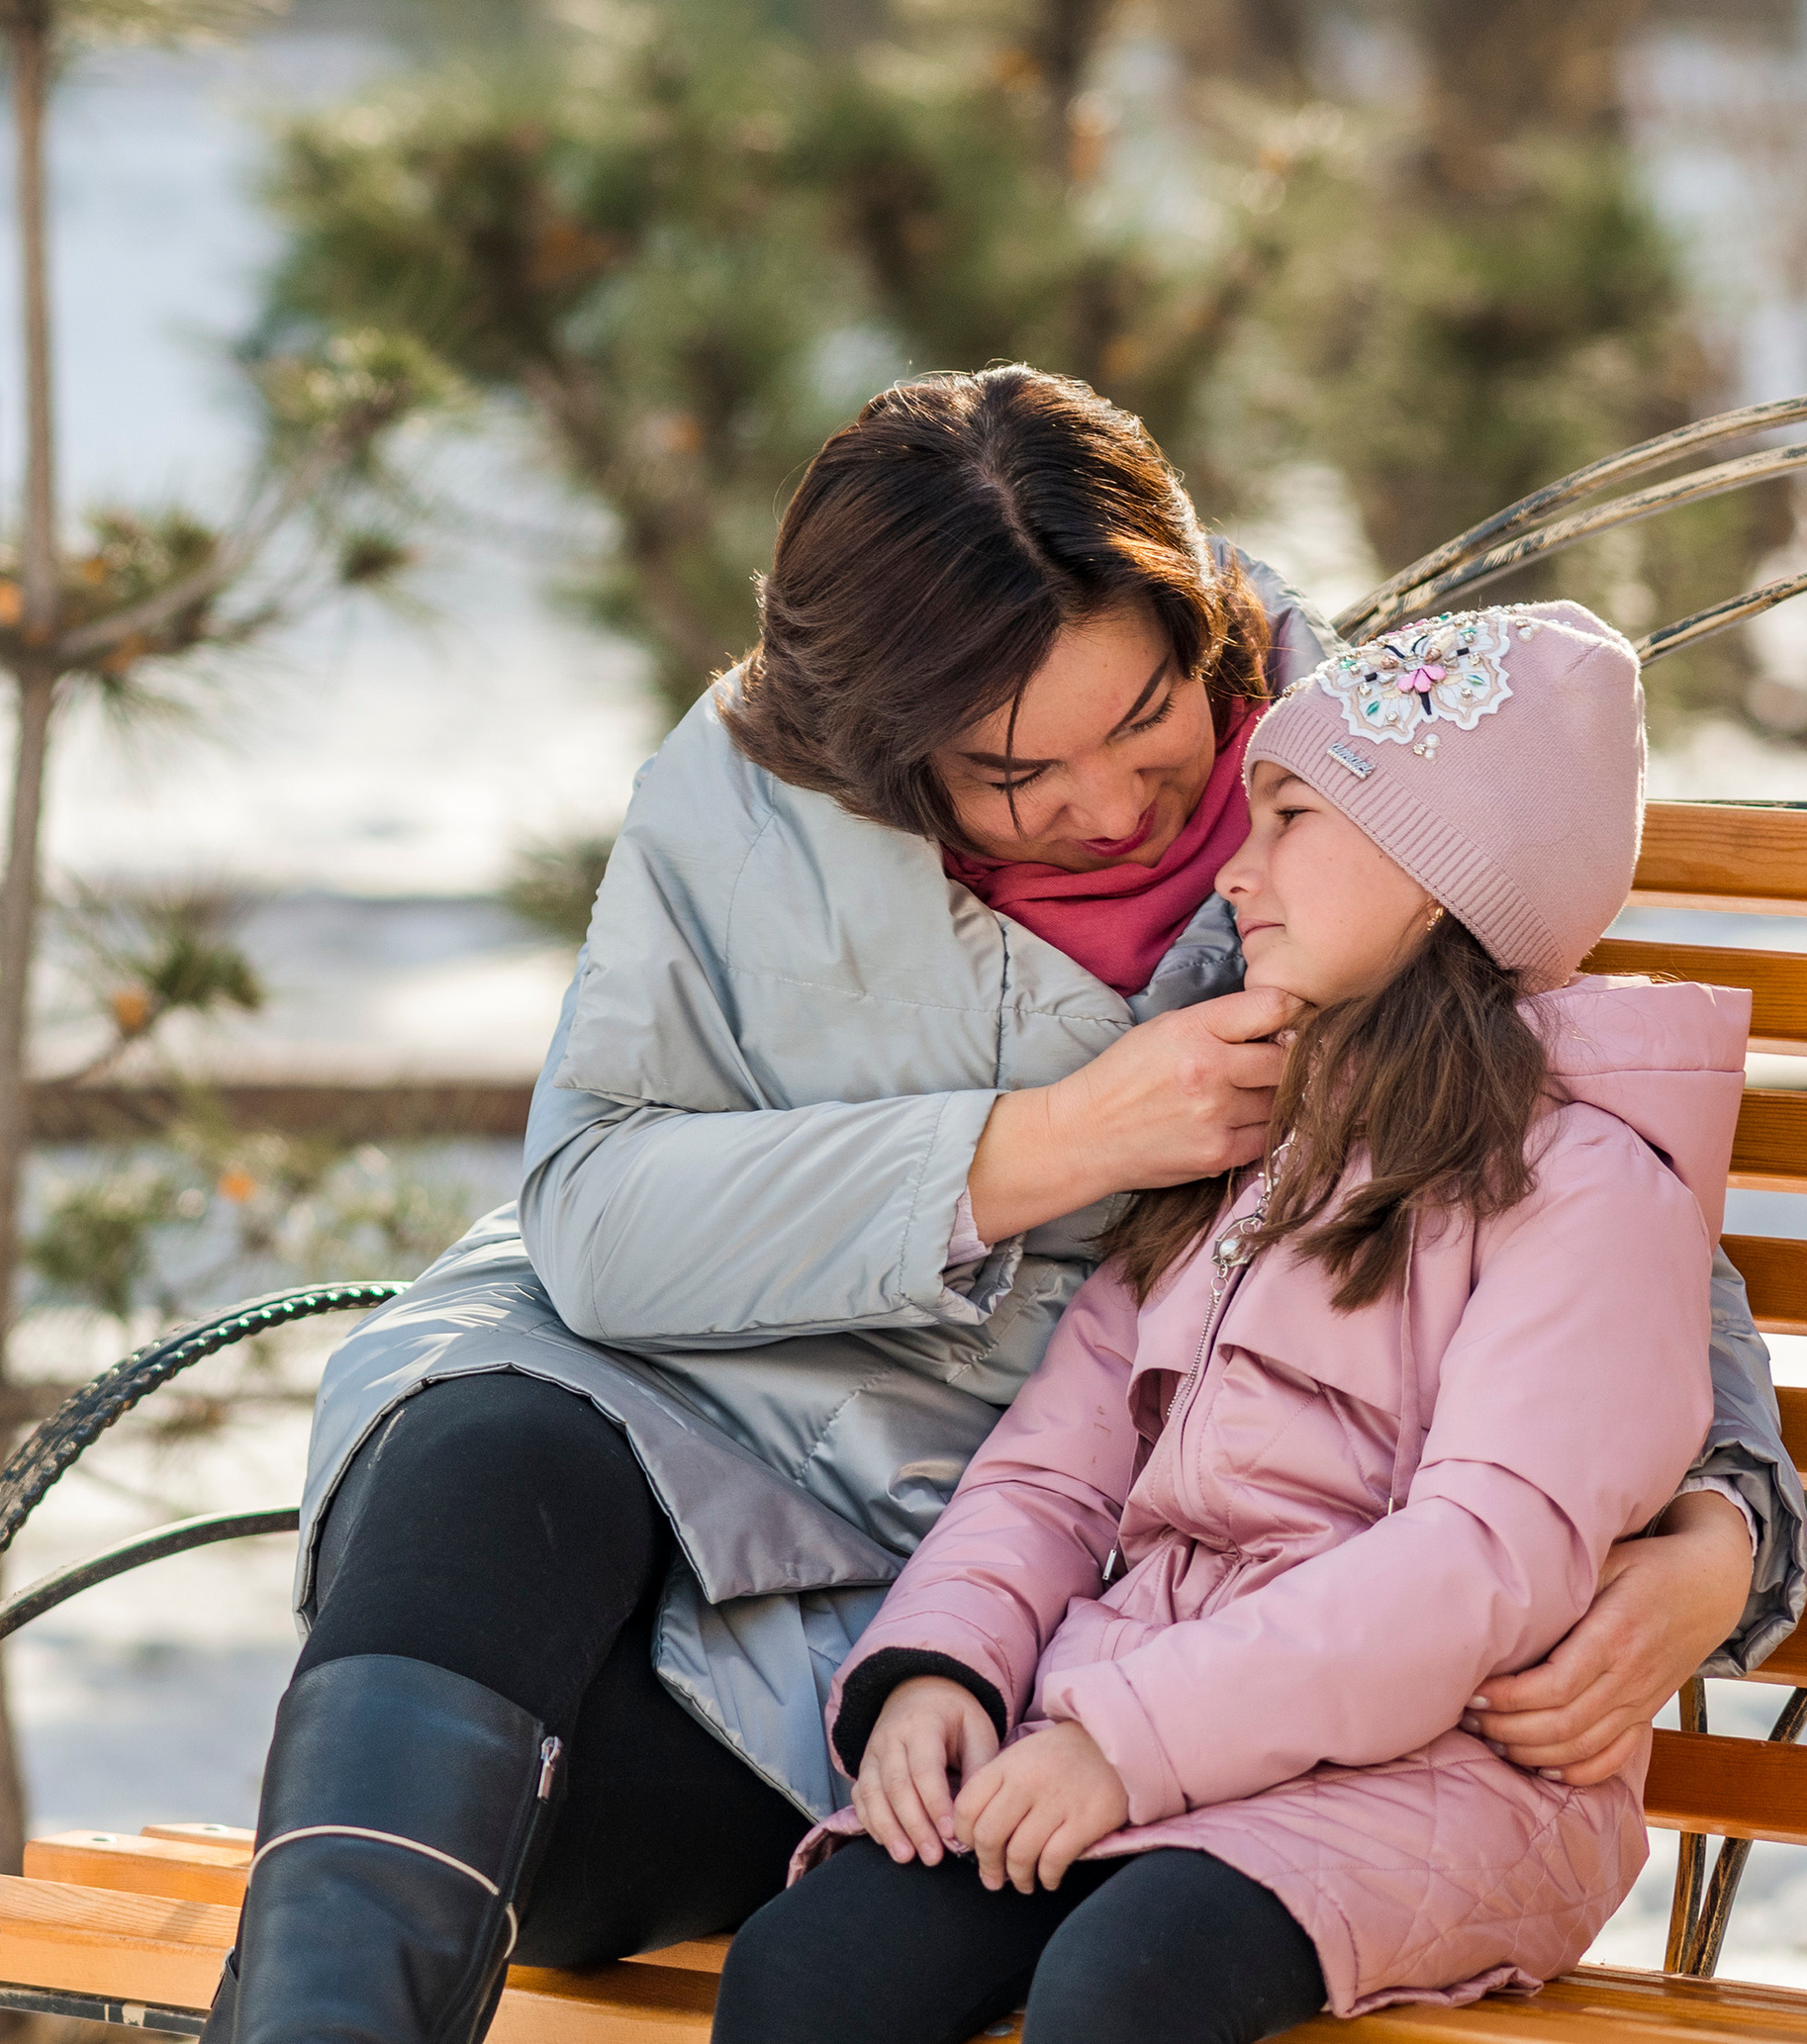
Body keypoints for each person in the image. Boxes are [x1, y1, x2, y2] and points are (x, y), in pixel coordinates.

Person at [205, 371, 1802, 2044]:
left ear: (1210, 640)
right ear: (884, 754)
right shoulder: (750, 803)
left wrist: (1729, 1528)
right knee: (479, 1443)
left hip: (1023, 1617)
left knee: (861, 1942)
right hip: (738, 1494)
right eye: (1015, 773)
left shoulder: (1367, 767)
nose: (1117, 808)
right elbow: (594, 1217)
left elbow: (1570, 1152)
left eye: (1152, 723)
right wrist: (1043, 1143)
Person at [711, 599, 1742, 2044]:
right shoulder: (1252, 1132)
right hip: (1141, 1733)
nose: (1239, 873)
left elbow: (1477, 1566)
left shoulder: (1588, 1189)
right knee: (812, 1972)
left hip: (1441, 1779)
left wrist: (1127, 1749)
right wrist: (942, 1667)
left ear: (1445, 876)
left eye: (1293, 819)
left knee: (1130, 1987)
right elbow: (1056, 1471)